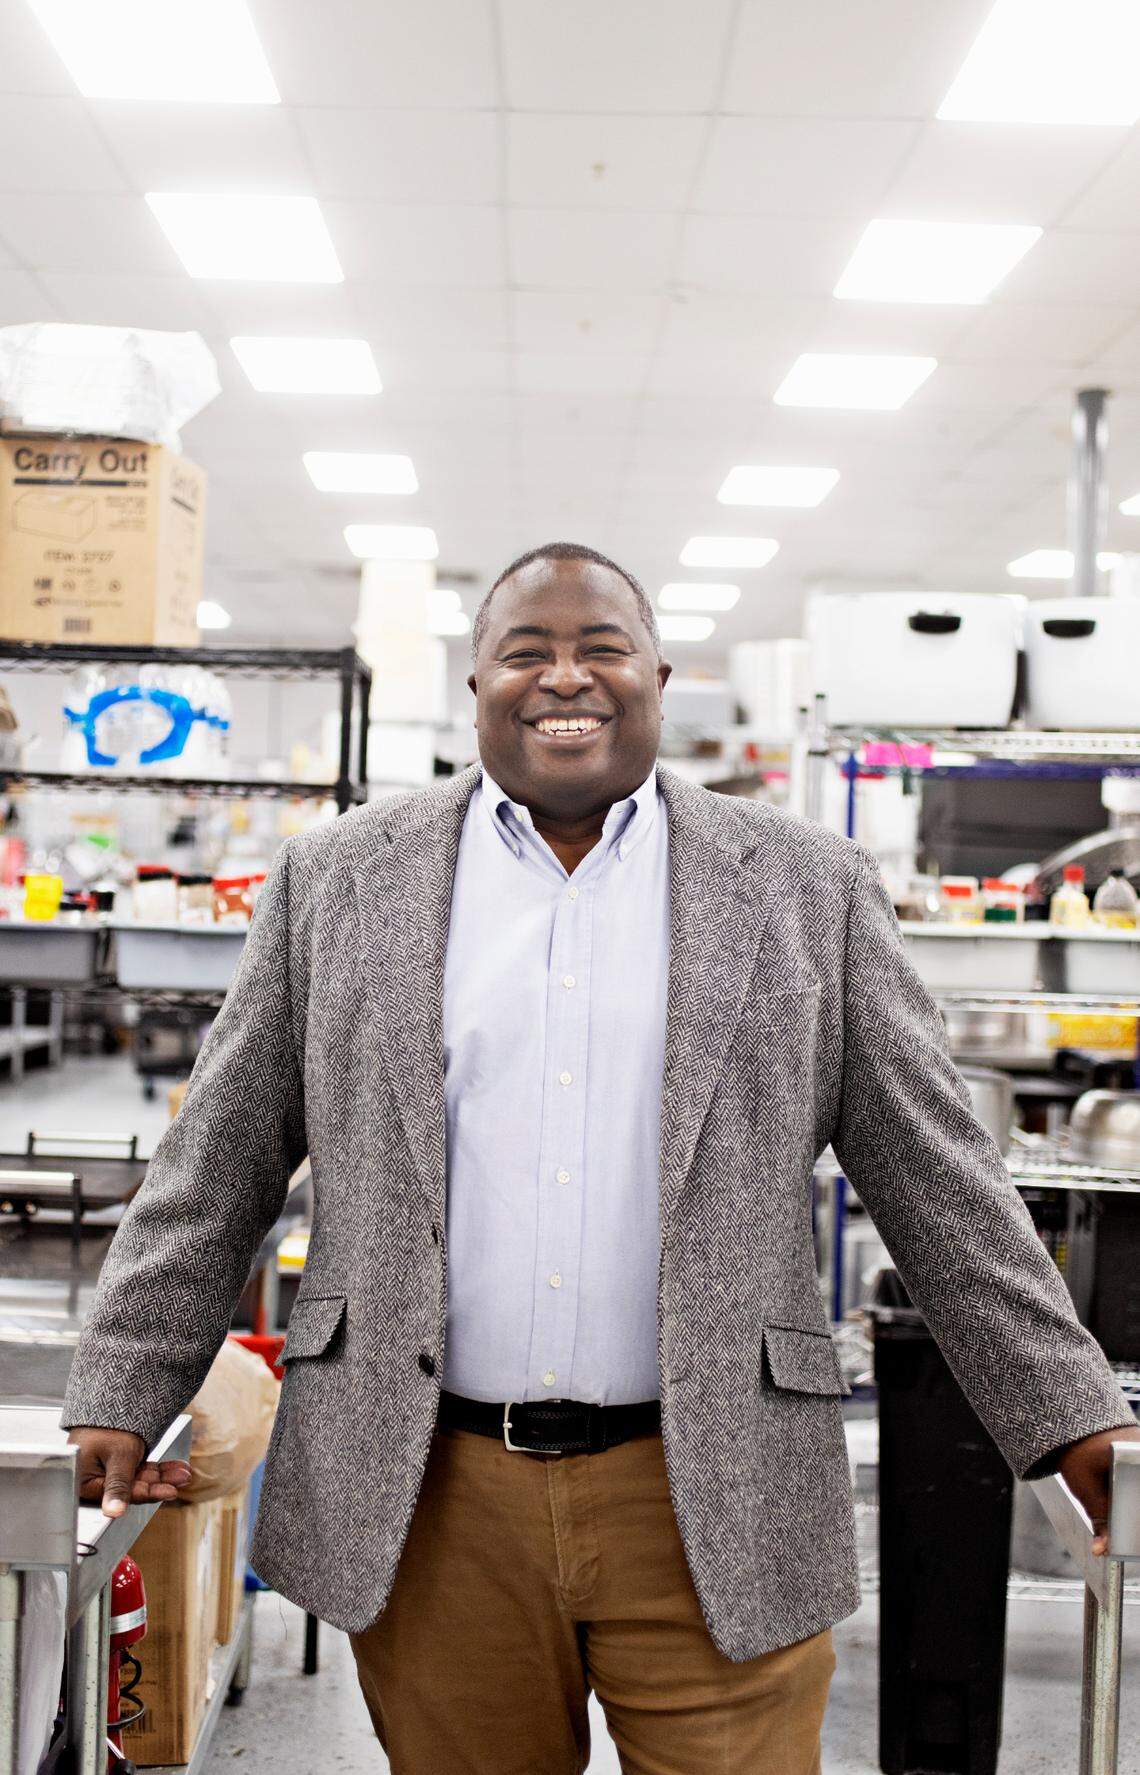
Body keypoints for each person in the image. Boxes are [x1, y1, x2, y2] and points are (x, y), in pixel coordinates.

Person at [63, 543, 1139, 1775]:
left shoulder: (802, 884)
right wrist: (122, 1384)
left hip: (714, 1486)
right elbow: (219, 1160)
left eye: (600, 648)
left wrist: (1068, 1412)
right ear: (478, 686)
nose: (563, 677)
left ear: (658, 677)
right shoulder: (341, 878)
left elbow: (938, 1176)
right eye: (526, 651)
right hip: (432, 1491)